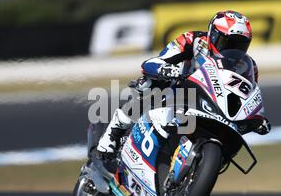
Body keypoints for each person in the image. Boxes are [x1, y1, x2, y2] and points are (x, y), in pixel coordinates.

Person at [97, 10, 271, 158]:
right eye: (228, 42)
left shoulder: (248, 66)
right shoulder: (192, 40)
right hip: (179, 89)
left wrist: (257, 119)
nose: (233, 49)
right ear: (214, 35)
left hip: (212, 104)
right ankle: (115, 130)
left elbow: (247, 95)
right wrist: (168, 70)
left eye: (240, 45)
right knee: (148, 84)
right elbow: (152, 63)